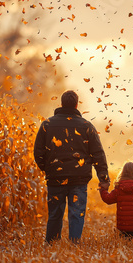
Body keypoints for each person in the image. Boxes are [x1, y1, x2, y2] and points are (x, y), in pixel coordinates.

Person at [34, 90, 109, 243]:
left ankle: (52, 243)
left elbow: (38, 152)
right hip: (79, 178)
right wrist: (103, 177)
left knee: (55, 213)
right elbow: (98, 154)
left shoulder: (47, 124)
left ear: (61, 104)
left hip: (55, 177)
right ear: (76, 104)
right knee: (76, 213)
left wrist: (47, 168)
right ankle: (74, 243)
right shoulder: (87, 126)